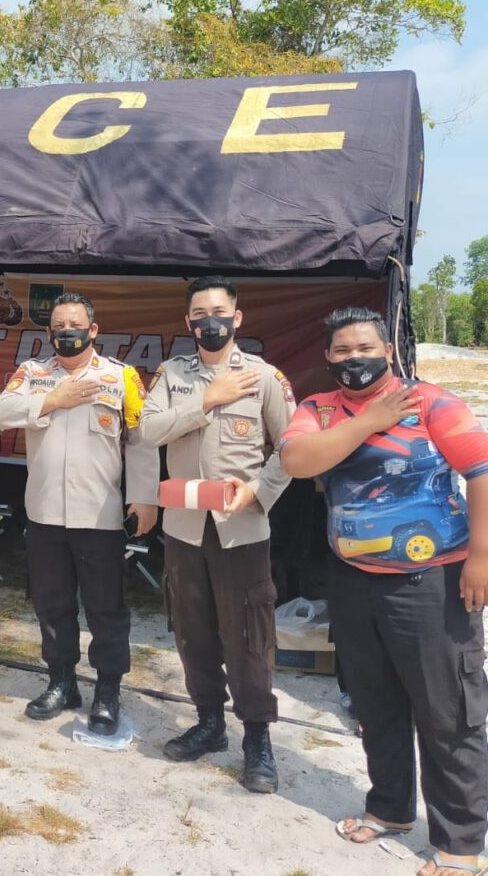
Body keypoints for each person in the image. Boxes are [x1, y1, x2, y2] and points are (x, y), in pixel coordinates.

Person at [280, 306, 488, 876]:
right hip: (353, 582)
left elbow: (481, 471)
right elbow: (297, 461)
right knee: (376, 705)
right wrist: (369, 422)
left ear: (388, 351)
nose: (355, 359)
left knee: (448, 713)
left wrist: (481, 557)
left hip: (432, 584)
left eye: (366, 348)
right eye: (342, 351)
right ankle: (390, 809)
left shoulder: (432, 403)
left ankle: (460, 844)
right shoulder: (319, 409)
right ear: (327, 357)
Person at [139, 275, 294, 794]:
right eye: (201, 314)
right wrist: (206, 399)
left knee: (248, 633)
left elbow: (290, 448)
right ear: (188, 322)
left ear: (237, 317)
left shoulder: (264, 377)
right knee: (193, 628)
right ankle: (209, 722)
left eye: (220, 312)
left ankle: (257, 737)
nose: (211, 321)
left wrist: (258, 492)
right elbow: (148, 430)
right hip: (184, 526)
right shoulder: (172, 374)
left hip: (241, 529)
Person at [0, 292, 159, 733]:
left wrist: (145, 497)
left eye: (75, 325)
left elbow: (142, 440)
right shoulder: (33, 373)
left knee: (107, 608)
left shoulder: (120, 377)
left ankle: (107, 690)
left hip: (99, 514)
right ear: (49, 333)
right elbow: (2, 412)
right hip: (45, 511)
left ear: (93, 330)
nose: (67, 332)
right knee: (52, 605)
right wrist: (53, 400)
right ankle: (61, 682)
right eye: (59, 327)